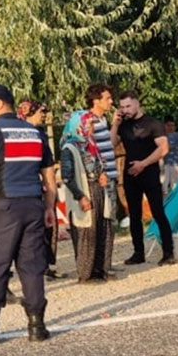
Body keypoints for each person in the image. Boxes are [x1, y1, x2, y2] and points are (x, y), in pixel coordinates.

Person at [0, 83, 57, 345]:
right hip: (32, 205)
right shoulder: (35, 133)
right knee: (32, 267)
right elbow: (49, 175)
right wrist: (50, 207)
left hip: (2, 208)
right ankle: (37, 326)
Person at [114, 90, 178, 266]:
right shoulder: (123, 124)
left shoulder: (153, 123)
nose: (125, 110)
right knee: (134, 215)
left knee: (157, 211)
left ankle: (168, 251)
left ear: (137, 103)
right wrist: (114, 124)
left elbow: (163, 148)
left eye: (128, 106)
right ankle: (138, 252)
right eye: (122, 107)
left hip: (149, 172)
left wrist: (144, 163)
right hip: (130, 174)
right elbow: (112, 144)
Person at [60, 110, 117, 283]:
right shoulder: (69, 148)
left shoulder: (91, 145)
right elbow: (67, 177)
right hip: (84, 192)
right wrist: (80, 197)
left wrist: (103, 175)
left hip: (98, 190)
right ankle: (86, 274)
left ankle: (101, 269)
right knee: (86, 233)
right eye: (89, 123)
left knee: (103, 229)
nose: (92, 127)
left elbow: (99, 166)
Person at [18, 100, 65, 280]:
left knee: (50, 226)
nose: (43, 115)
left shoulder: (41, 133)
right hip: (32, 184)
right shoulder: (25, 133)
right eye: (39, 112)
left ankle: (46, 263)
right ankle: (37, 265)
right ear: (28, 113)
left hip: (45, 182)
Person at [84, 84, 121, 278]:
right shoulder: (88, 121)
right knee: (103, 220)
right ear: (96, 100)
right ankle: (100, 266)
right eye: (107, 98)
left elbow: (111, 144)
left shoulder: (101, 120)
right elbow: (88, 150)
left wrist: (114, 125)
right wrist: (99, 172)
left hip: (111, 176)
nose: (111, 101)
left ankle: (106, 263)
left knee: (110, 219)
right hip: (102, 178)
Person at [163, 117, 178, 192]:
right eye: (169, 125)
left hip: (175, 164)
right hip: (164, 165)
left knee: (176, 187)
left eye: (172, 125)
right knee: (163, 187)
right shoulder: (162, 135)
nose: (171, 127)